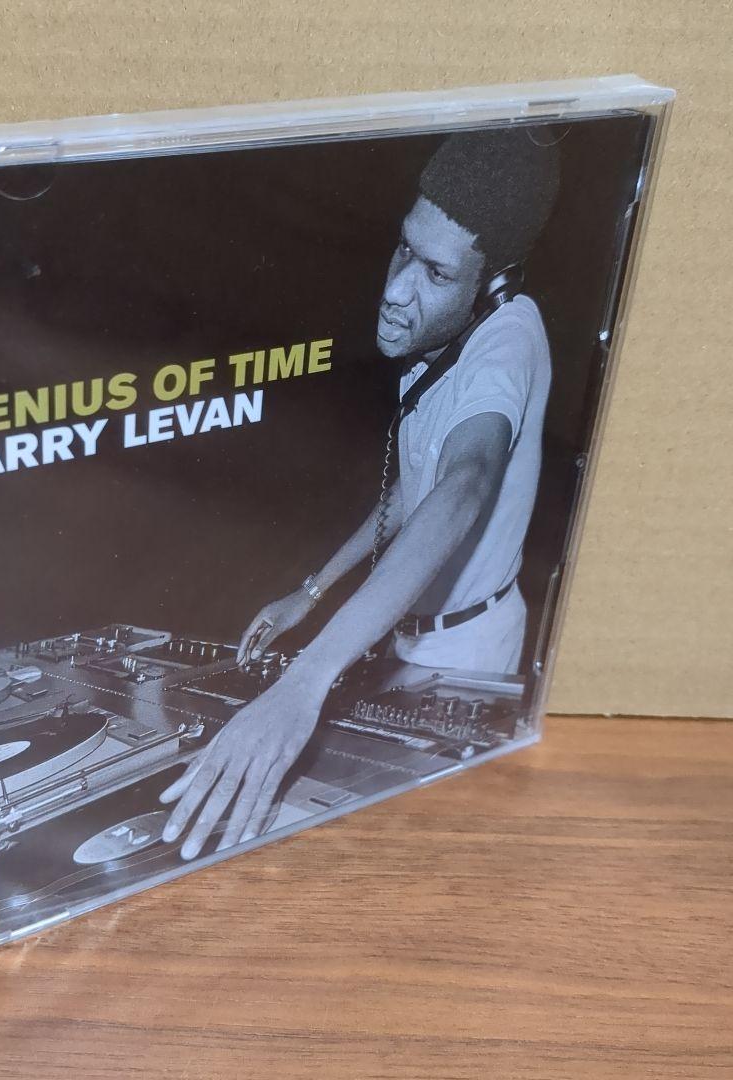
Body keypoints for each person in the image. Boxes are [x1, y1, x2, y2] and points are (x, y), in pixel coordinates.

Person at [160, 127, 560, 860]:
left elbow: (464, 485)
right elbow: (418, 487)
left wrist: (306, 680)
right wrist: (313, 590)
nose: (397, 289)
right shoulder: (442, 342)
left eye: (436, 273)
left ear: (493, 285)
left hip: (471, 647)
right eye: (405, 248)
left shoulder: (508, 342)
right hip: (410, 633)